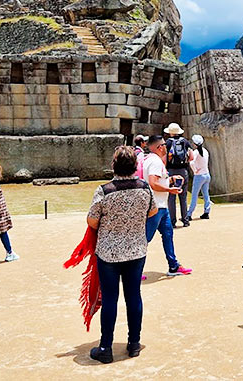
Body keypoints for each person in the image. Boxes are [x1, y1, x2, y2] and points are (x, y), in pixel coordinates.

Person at [87, 146, 158, 364]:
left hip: (109, 252)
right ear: (135, 167)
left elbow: (92, 220)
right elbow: (153, 211)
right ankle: (134, 343)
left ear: (113, 165)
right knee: (133, 296)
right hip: (136, 250)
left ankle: (106, 347)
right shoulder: (144, 188)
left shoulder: (104, 190)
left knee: (110, 299)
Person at [143, 135, 191, 276]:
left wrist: (170, 180)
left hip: (161, 207)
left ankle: (173, 265)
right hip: (155, 207)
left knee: (168, 234)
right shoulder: (156, 162)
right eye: (164, 144)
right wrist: (170, 189)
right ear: (160, 147)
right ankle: (132, 269)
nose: (167, 147)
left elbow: (157, 181)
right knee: (144, 239)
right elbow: (153, 183)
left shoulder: (150, 160)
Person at [165, 123, 191, 227]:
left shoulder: (167, 143)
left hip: (171, 171)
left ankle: (172, 221)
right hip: (183, 171)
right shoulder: (185, 142)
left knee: (171, 197)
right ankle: (185, 220)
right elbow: (191, 155)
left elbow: (164, 156)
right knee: (183, 197)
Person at [188, 134, 213, 220]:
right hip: (206, 174)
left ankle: (189, 214)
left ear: (194, 144)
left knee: (194, 195)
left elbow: (191, 162)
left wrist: (195, 170)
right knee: (206, 194)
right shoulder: (205, 151)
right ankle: (207, 211)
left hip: (199, 176)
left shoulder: (195, 152)